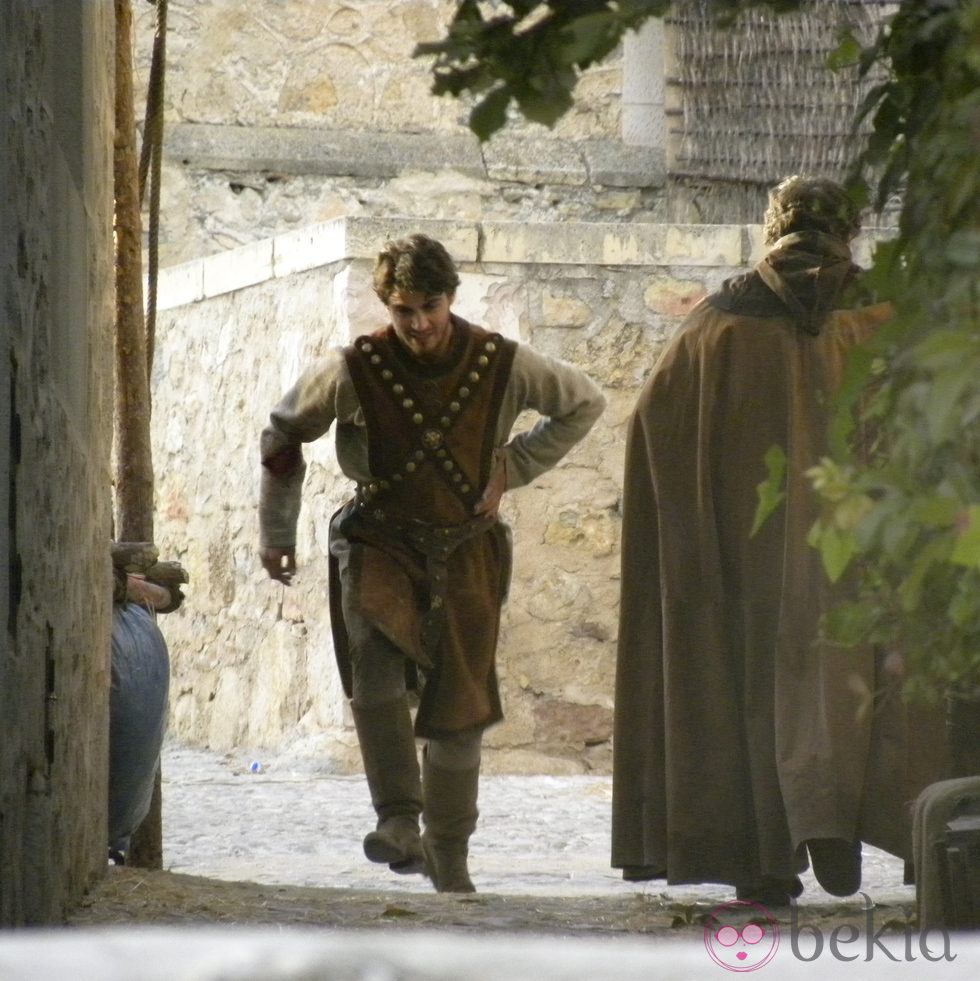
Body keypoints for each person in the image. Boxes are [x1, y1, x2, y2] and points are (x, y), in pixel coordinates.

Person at [611, 176, 946, 906]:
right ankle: (859, 820)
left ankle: (766, 862)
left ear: (774, 228)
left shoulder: (720, 324)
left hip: (756, 561)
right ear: (849, 231)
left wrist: (700, 525)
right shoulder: (895, 315)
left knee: (756, 686)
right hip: (873, 555)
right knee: (883, 682)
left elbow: (654, 423)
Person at [259, 234, 605, 892]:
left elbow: (583, 401)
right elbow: (283, 429)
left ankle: (449, 851)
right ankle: (397, 819)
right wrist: (277, 527)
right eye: (402, 309)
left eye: (430, 305)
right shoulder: (355, 368)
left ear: (451, 297)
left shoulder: (502, 363)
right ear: (385, 306)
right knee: (377, 676)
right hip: (380, 543)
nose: (417, 322)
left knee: (459, 711)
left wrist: (512, 465)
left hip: (467, 550)